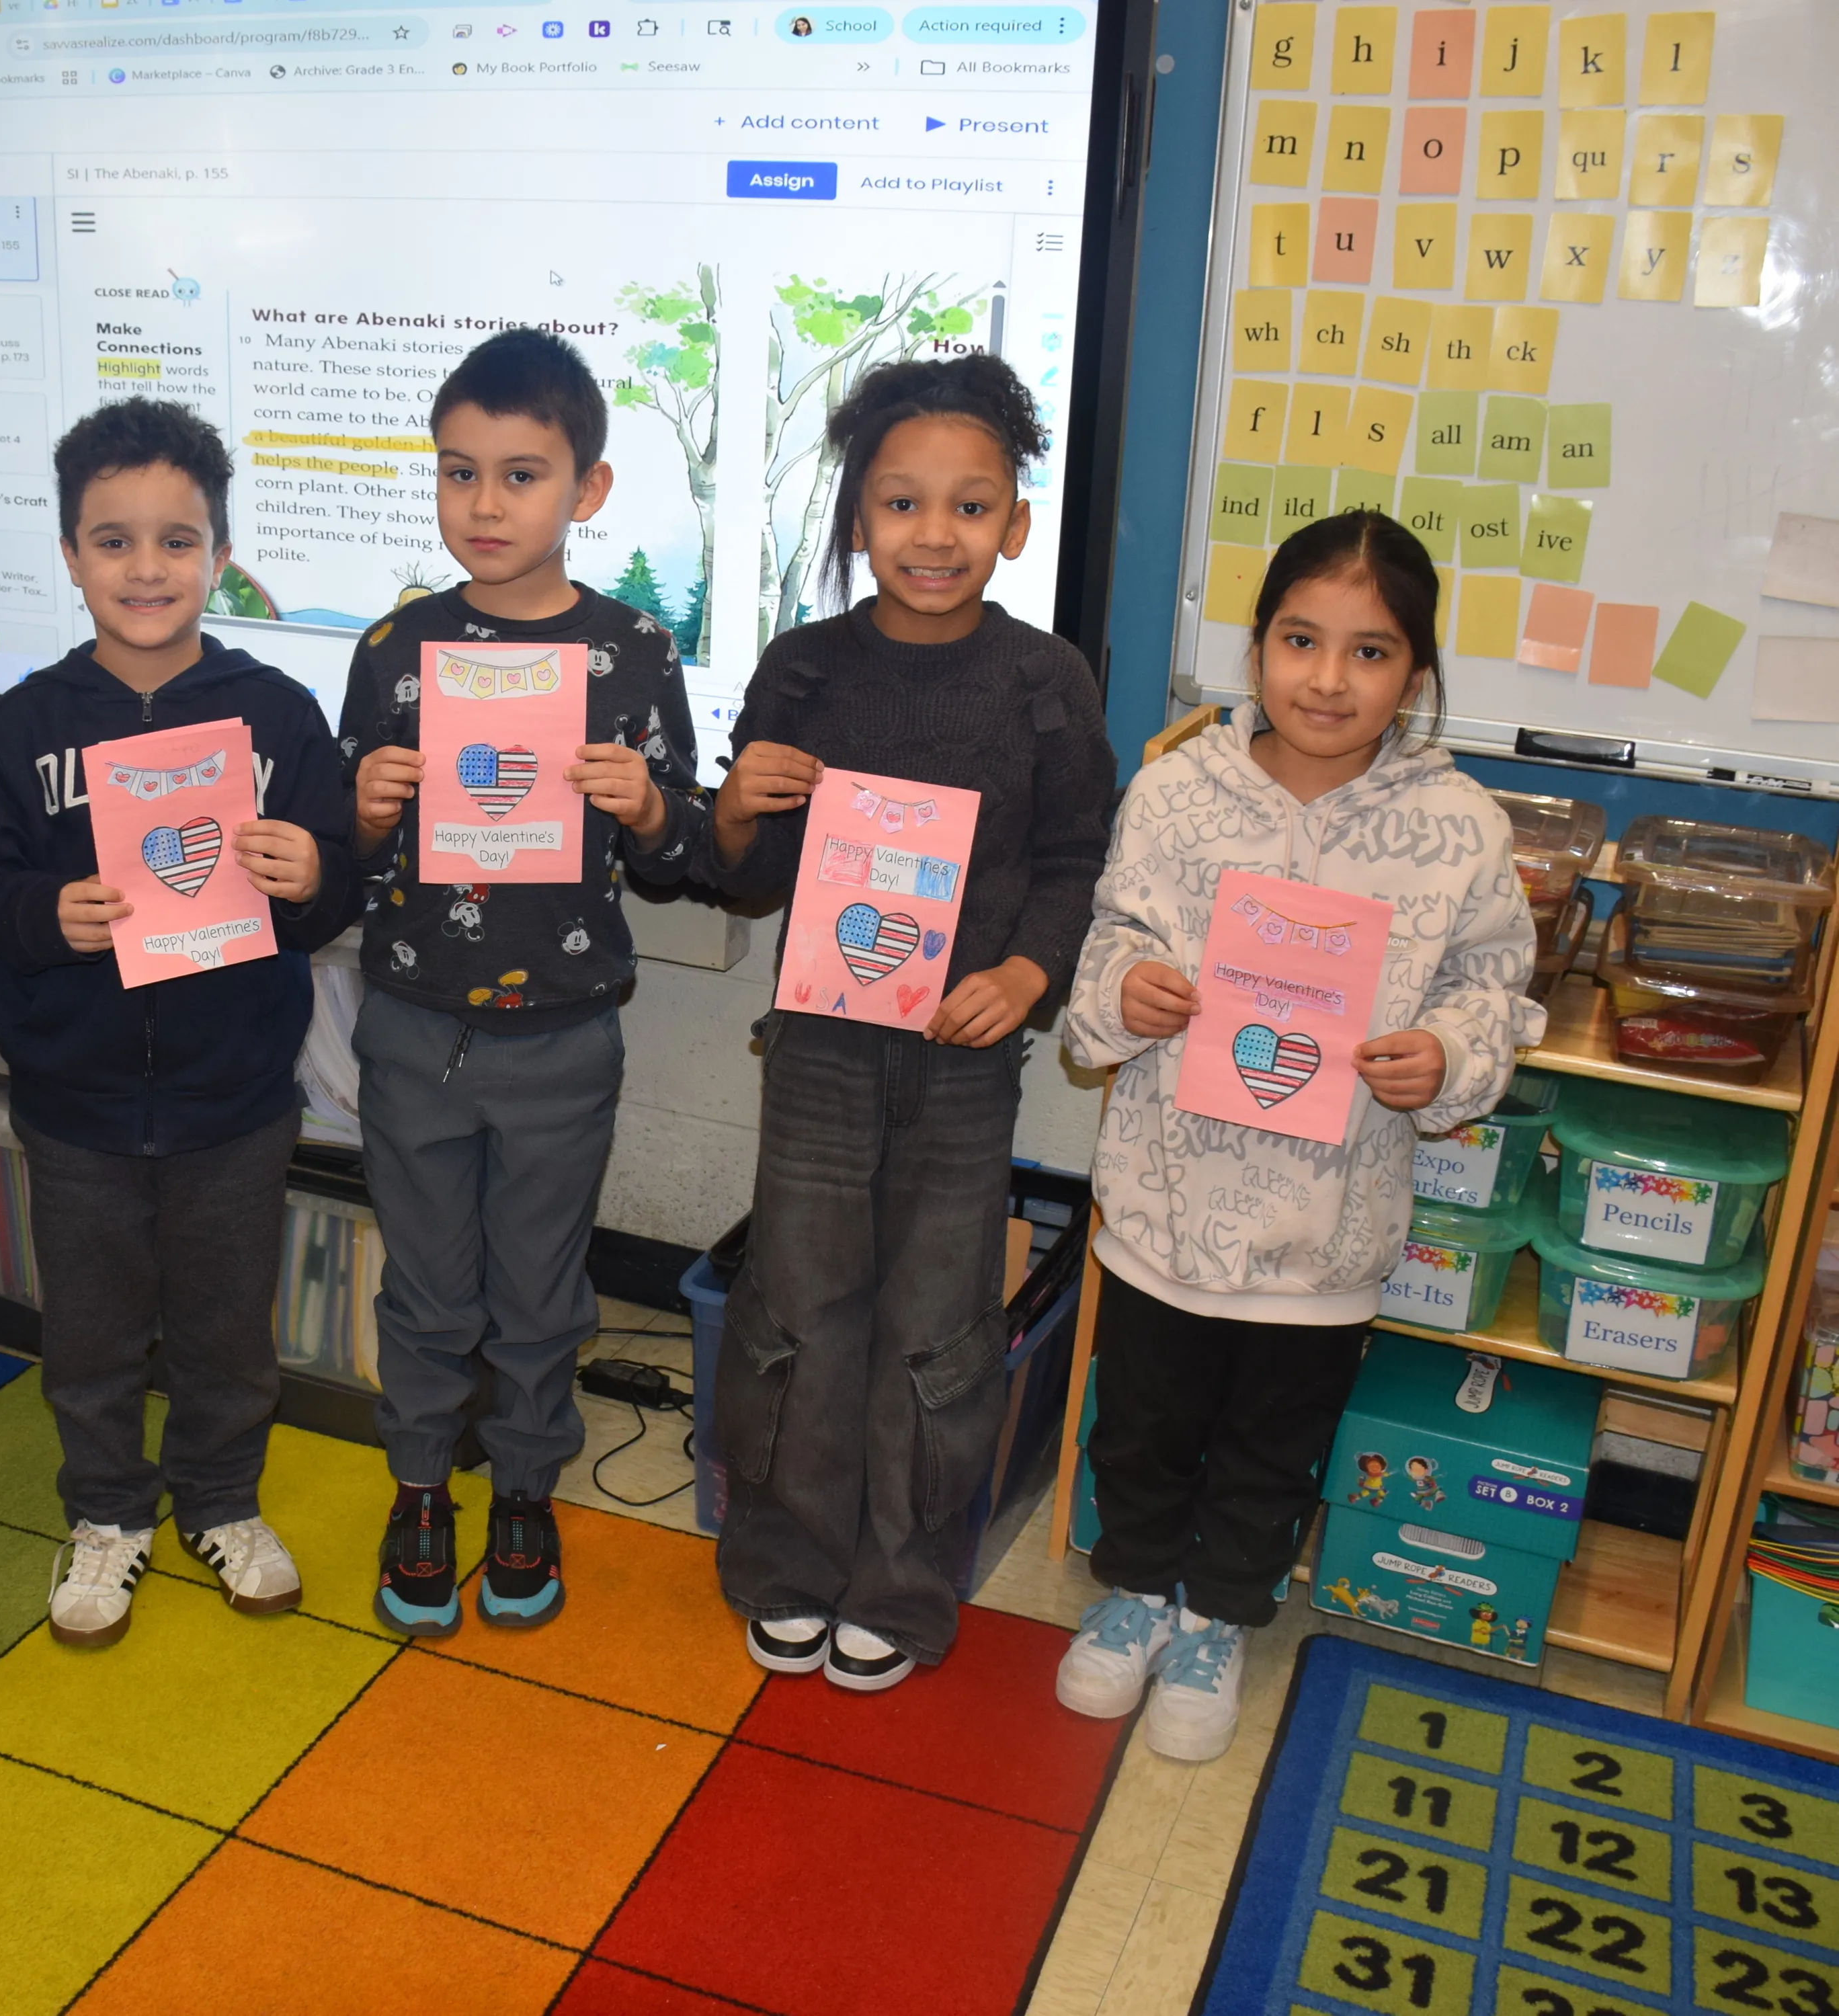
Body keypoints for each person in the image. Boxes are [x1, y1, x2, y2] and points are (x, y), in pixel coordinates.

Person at [1057, 508, 1540, 1759]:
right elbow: (1111, 937)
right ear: (1258, 643)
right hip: (1167, 1199)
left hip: (1328, 1221)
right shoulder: (1177, 792)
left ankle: (1219, 1613)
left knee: (1276, 1436)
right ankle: (1136, 1588)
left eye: (1370, 652)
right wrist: (1128, 990)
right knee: (1143, 1421)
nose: (1328, 678)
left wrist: (1446, 1056)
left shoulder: (1461, 827)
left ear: (1415, 673)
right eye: (1299, 639)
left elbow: (1494, 988)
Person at [696, 353, 1113, 1691]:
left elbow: (1076, 856)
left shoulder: (1045, 678)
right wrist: (734, 807)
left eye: (969, 506)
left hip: (962, 1066)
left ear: (1015, 524)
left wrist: (1028, 975)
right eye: (900, 502)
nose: (934, 533)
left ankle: (901, 1584)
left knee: (937, 1326)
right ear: (856, 516)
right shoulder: (804, 668)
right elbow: (750, 875)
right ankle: (787, 1566)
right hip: (819, 1054)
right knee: (797, 1312)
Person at [0, 398, 357, 1647]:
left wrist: (313, 872)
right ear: (70, 555)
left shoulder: (277, 713)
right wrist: (44, 914)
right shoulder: (24, 723)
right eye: (114, 540)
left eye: (177, 541)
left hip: (233, 1095)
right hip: (75, 1098)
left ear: (220, 554)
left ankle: (222, 1498)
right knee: (89, 1332)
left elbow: (339, 879)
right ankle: (106, 1512)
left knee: (226, 1326)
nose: (147, 568)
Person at [342, 327, 704, 1635]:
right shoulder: (396, 647)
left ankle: (526, 1488)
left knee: (542, 1290)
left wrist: (648, 807)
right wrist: (363, 810)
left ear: (586, 489)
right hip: (411, 1023)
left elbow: (681, 853)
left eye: (520, 474)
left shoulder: (633, 651)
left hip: (562, 1034)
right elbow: (334, 857)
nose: (484, 504)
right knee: (426, 1284)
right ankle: (420, 1484)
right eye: (459, 472)